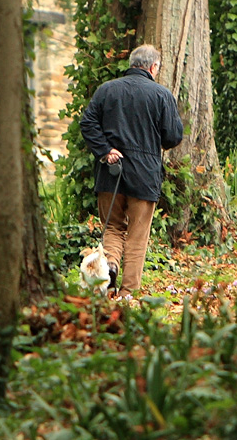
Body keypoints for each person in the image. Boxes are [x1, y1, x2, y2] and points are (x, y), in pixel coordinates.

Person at [80, 44, 183, 298]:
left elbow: (87, 122)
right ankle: (128, 292)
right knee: (137, 235)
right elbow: (173, 136)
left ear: (131, 64)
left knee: (113, 226)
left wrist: (105, 149)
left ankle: (111, 266)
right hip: (145, 175)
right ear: (153, 67)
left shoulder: (107, 90)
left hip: (110, 172)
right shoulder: (161, 95)